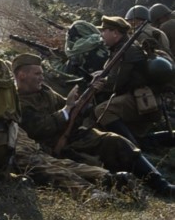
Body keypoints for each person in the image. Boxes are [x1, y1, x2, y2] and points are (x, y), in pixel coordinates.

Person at [0, 39, 115, 199]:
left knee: (37, 165)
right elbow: (15, 110)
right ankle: (103, 176)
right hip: (10, 135)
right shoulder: (4, 73)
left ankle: (89, 192)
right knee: (44, 160)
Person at [13, 53, 175, 198]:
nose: (42, 77)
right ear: (22, 75)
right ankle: (114, 184)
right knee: (83, 166)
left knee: (115, 141)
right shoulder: (16, 101)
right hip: (50, 147)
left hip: (72, 137)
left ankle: (161, 185)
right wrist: (67, 110)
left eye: (41, 73)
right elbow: (37, 129)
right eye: (37, 74)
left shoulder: (45, 92)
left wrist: (89, 94)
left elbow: (73, 111)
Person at [92, 16, 163, 146]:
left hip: (141, 100)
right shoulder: (121, 48)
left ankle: (132, 151)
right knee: (141, 138)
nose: (101, 34)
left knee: (102, 110)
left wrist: (101, 84)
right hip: (137, 97)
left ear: (115, 33)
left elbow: (116, 83)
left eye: (104, 31)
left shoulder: (127, 51)